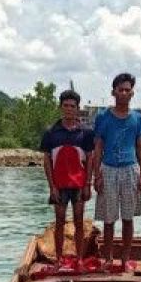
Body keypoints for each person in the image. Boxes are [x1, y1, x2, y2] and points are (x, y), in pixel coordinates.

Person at [91, 72, 141, 272]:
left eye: (127, 89)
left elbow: (140, 149)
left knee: (128, 218)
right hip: (108, 170)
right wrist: (96, 175)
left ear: (132, 93)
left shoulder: (138, 119)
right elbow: (97, 148)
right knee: (108, 218)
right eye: (120, 89)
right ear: (113, 92)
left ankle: (125, 259)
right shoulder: (103, 118)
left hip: (130, 170)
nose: (124, 93)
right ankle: (108, 259)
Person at [40, 89, 95, 265]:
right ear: (61, 107)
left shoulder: (86, 132)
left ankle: (79, 259)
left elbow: (90, 159)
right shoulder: (51, 132)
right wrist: (52, 187)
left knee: (79, 222)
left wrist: (88, 184)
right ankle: (58, 259)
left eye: (73, 106)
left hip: (79, 184)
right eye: (66, 105)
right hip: (59, 185)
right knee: (59, 222)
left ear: (77, 108)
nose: (69, 109)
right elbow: (47, 161)